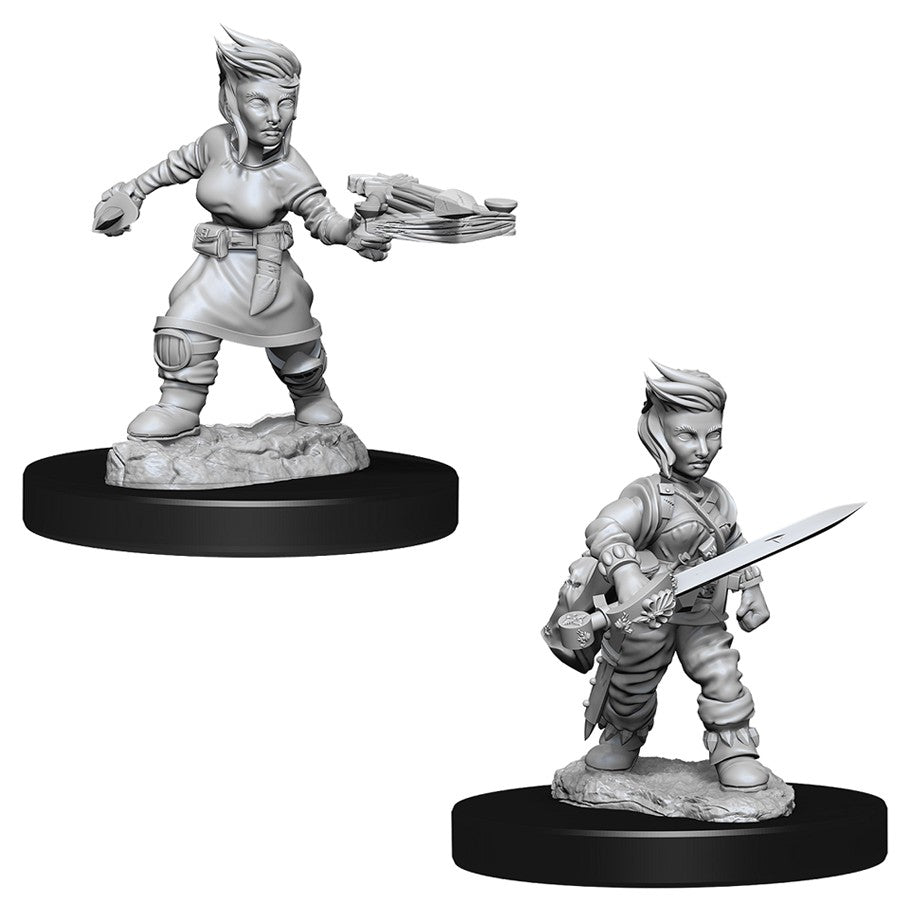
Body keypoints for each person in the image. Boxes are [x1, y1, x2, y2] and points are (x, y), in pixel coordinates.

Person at [95, 28, 390, 440]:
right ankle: (178, 405)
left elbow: (322, 218)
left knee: (296, 350)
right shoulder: (215, 142)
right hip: (215, 268)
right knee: (181, 332)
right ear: (233, 100)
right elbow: (171, 168)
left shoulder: (290, 169)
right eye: (259, 101)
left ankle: (311, 395)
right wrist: (132, 194)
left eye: (286, 102)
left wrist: (354, 233)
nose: (275, 116)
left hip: (269, 275)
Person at [579, 363, 771, 790]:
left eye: (713, 434)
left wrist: (752, 589)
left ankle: (735, 750)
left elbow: (734, 544)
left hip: (701, 614)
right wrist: (627, 573)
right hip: (649, 614)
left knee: (722, 675)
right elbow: (604, 527)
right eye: (688, 435)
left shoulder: (718, 497)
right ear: (660, 434)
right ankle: (623, 739)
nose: (704, 449)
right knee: (631, 684)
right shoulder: (651, 497)